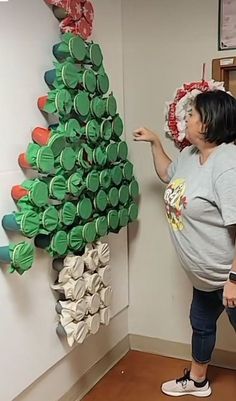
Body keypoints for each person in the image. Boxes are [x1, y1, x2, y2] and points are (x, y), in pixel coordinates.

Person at [133, 90, 236, 397]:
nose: (186, 118)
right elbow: (168, 174)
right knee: (201, 326)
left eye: (192, 114)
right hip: (204, 277)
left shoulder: (227, 165)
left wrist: (233, 279)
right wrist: (155, 143)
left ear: (209, 123)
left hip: (228, 277)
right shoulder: (190, 156)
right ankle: (198, 381)